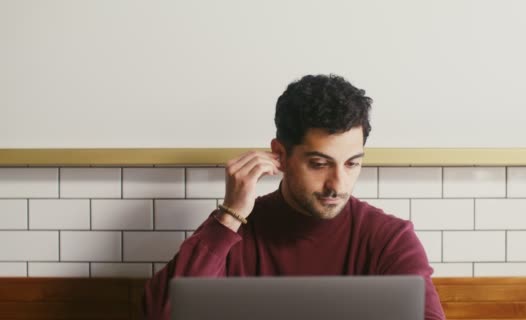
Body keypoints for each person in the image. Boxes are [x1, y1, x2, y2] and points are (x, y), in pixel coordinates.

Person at [143, 74, 446, 320]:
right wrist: (230, 214)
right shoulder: (235, 230)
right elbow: (164, 313)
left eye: (352, 163)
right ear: (280, 155)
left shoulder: (389, 238)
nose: (338, 184)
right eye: (319, 164)